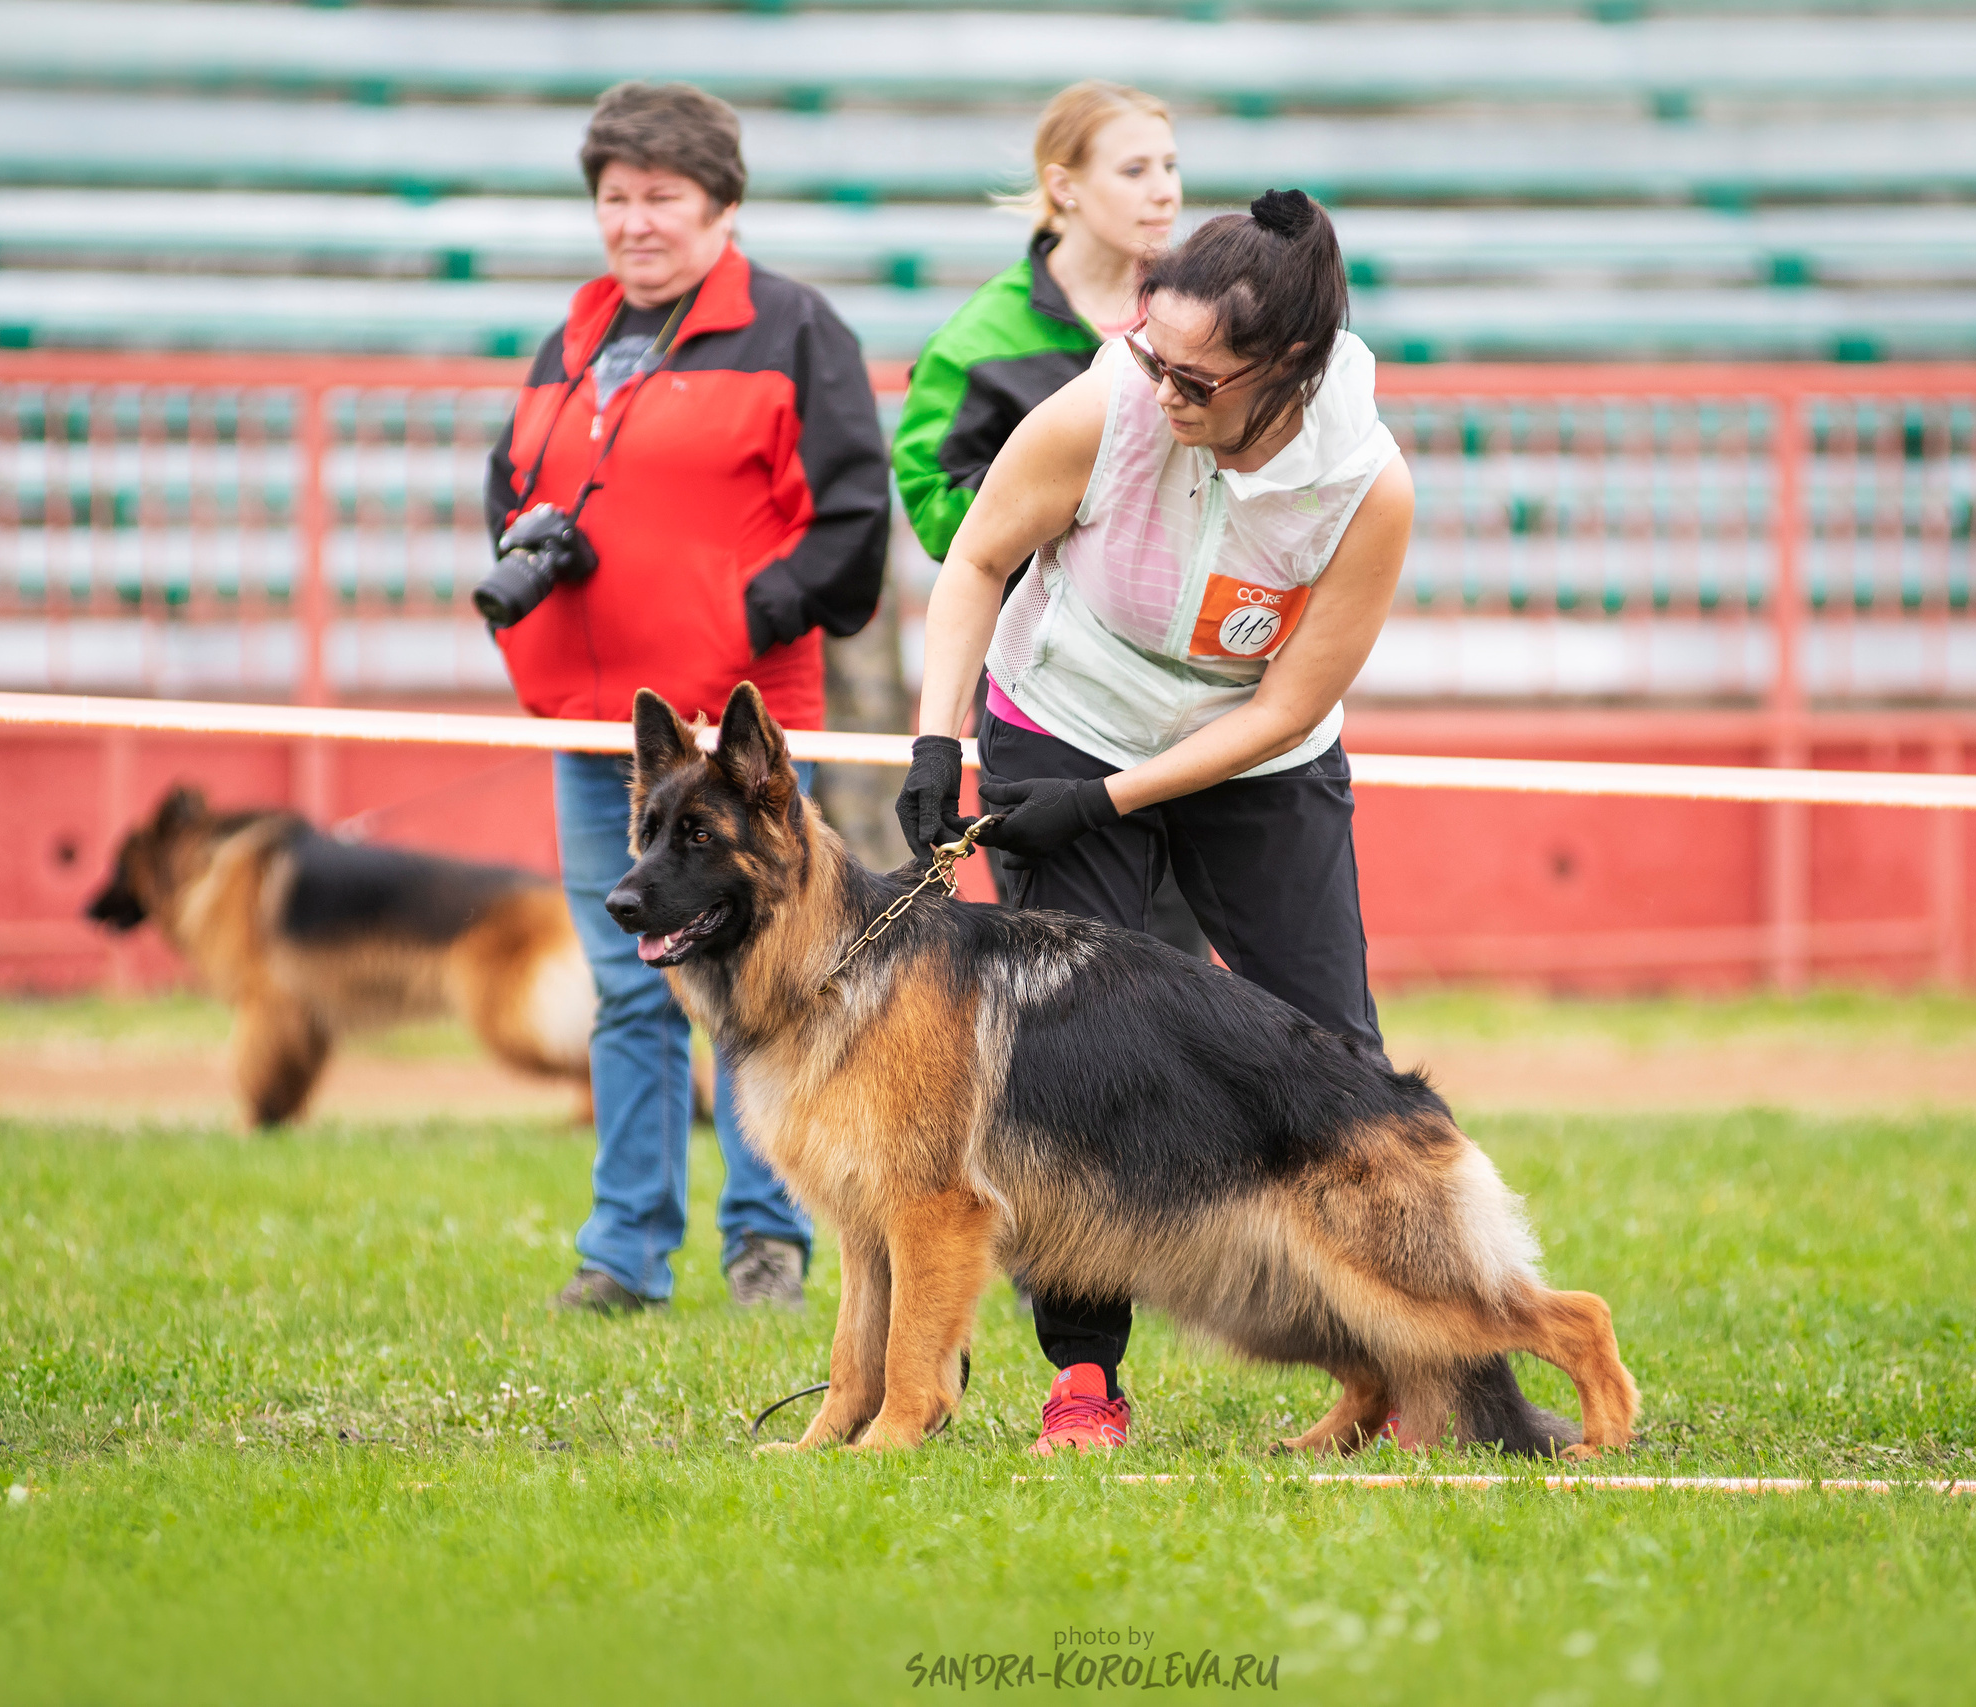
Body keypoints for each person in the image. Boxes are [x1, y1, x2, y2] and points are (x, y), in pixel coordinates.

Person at [895, 190, 1557, 1455]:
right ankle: (1083, 1380)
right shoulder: (1107, 405)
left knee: (1339, 1056)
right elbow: (975, 560)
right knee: (1061, 1070)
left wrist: (1108, 803)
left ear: (1287, 371)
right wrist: (940, 741)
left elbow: (1288, 704)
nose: (1163, 389)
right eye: (1152, 353)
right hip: (1062, 715)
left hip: (1255, 751)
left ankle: (1435, 1370)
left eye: (1196, 376)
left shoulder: (1365, 486)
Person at [482, 81, 890, 1316]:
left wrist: (735, 625)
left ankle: (770, 1241)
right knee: (626, 985)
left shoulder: (793, 328)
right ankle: (623, 1252)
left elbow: (854, 523)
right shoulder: (570, 340)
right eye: (614, 198)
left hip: (739, 750)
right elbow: (510, 491)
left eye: (661, 196)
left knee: (763, 986)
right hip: (601, 735)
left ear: (719, 203)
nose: (634, 222)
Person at [891, 78, 1209, 960]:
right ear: (1063, 184)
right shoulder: (978, 338)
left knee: (1193, 977)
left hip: (1193, 699)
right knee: (1078, 975)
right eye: (1136, 168)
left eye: (1172, 166)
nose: (1165, 191)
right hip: (1047, 704)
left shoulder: (1205, 319)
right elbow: (935, 509)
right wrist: (1060, 516)